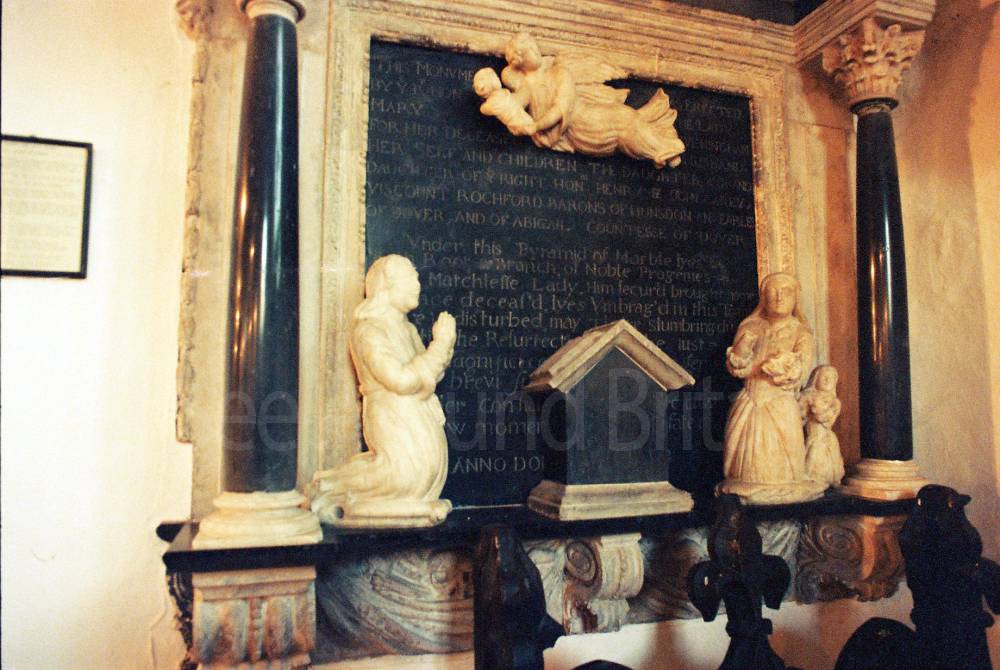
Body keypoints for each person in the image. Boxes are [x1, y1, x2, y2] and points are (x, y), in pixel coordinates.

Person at [311, 255, 456, 526]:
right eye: (409, 278)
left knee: (424, 474)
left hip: (417, 412)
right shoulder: (369, 330)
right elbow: (401, 380)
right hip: (392, 414)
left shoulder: (408, 330)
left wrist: (444, 347)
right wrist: (440, 345)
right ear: (386, 287)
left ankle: (414, 505)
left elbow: (429, 374)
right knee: (401, 476)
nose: (417, 284)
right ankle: (330, 486)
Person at [481, 32, 685, 168]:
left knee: (626, 120)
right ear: (519, 62)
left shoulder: (559, 73)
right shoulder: (527, 86)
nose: (536, 53)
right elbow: (513, 105)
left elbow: (562, 108)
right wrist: (493, 95)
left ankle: (663, 147)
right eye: (531, 52)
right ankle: (663, 147)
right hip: (579, 129)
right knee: (625, 124)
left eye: (536, 48)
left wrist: (535, 126)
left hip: (585, 117)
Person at [720, 272, 826, 503]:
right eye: (773, 291)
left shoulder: (800, 332)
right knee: (742, 467)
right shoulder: (749, 326)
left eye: (786, 291)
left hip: (780, 404)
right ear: (763, 297)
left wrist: (783, 369)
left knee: (780, 467)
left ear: (795, 298)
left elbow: (800, 370)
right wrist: (743, 347)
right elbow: (737, 367)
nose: (779, 296)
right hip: (749, 400)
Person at [800, 365, 844, 486]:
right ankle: (808, 478)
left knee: (829, 457)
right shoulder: (807, 395)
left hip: (825, 435)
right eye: (824, 377)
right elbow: (799, 415)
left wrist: (817, 409)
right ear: (816, 378)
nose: (827, 380)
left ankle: (826, 480)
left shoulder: (835, 402)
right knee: (813, 452)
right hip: (812, 433)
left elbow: (827, 421)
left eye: (831, 378)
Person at [473, 67, 536, 136]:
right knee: (534, 130)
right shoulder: (500, 96)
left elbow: (483, 109)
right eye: (496, 77)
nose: (498, 78)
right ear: (493, 82)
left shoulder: (492, 102)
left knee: (534, 131)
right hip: (520, 121)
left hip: (516, 123)